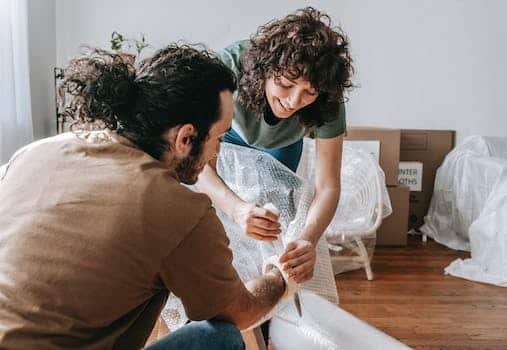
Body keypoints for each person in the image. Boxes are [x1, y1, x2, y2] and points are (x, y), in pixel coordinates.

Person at [0, 45, 289, 350]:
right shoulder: (176, 207)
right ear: (185, 138)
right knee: (221, 337)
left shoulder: (38, 151)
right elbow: (240, 311)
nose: (218, 151)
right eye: (219, 137)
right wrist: (281, 276)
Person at [198, 7, 355, 285]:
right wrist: (236, 209)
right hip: (229, 132)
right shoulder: (227, 67)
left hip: (283, 143)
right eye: (285, 83)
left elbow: (328, 185)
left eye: (309, 92)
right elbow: (198, 166)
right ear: (264, 71)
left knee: (272, 217)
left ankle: (263, 289)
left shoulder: (329, 99)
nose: (294, 101)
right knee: (216, 215)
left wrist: (308, 238)